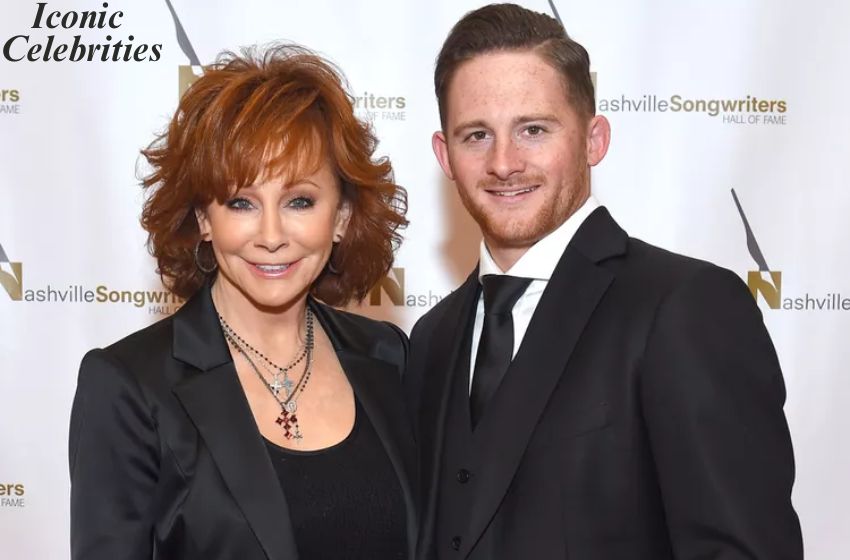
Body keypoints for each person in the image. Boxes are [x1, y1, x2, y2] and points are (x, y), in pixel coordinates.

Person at [406, 4, 803, 559]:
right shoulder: (432, 338)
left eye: (534, 129)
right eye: (476, 135)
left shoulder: (684, 307)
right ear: (444, 155)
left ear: (594, 140)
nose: (504, 162)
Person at [69, 44, 413, 560]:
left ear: (340, 217)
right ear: (204, 219)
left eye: (300, 201)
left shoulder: (388, 357)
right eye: (241, 202)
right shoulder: (129, 388)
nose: (271, 235)